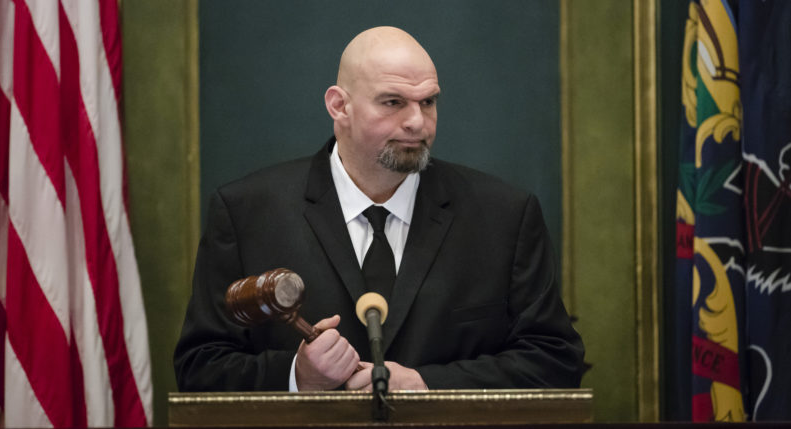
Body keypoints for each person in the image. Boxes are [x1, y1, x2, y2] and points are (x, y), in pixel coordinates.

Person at [174, 26, 584, 392]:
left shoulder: (504, 215)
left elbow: (555, 359)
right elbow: (199, 368)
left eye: (428, 103)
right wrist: (298, 375)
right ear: (339, 106)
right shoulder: (247, 213)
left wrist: (428, 384)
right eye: (393, 102)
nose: (417, 123)